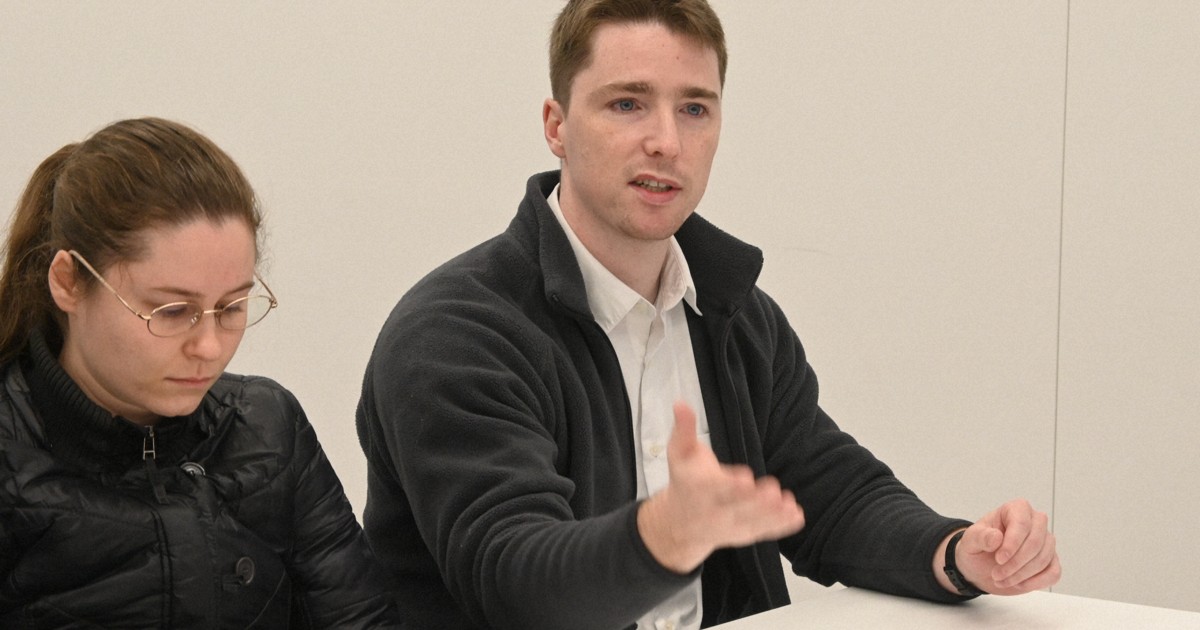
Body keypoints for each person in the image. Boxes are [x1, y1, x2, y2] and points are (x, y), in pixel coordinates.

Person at [356, 1, 1061, 628]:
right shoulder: (454, 334)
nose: (667, 141)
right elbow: (515, 583)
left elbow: (831, 496)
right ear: (557, 126)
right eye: (627, 104)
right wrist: (661, 537)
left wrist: (956, 554)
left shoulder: (737, 316)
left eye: (694, 109)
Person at [0, 117, 403, 628]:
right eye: (171, 311)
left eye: (231, 307)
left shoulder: (268, 426)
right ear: (69, 282)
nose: (209, 347)